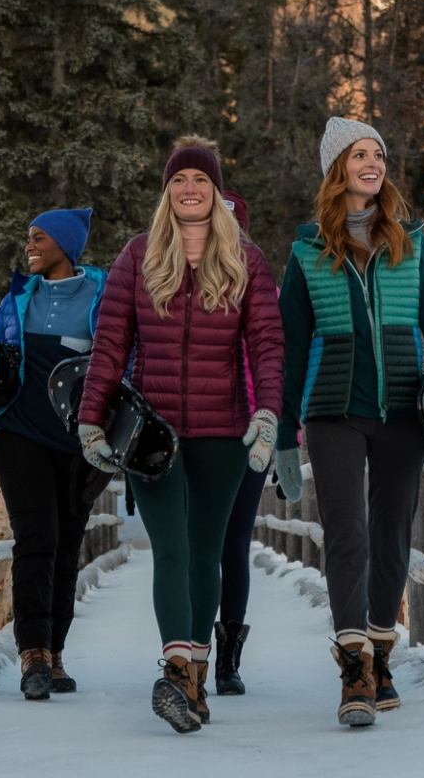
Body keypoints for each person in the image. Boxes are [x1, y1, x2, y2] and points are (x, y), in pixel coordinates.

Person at [275, 117, 424, 728]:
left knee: (392, 534)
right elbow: (289, 349)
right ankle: (353, 669)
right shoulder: (308, 251)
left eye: (379, 154)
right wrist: (286, 434)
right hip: (334, 411)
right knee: (347, 534)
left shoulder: (409, 242)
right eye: (359, 154)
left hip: (402, 411)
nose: (373, 163)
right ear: (336, 168)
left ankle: (381, 650)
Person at [76, 139, 284, 735]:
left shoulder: (247, 259)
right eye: (179, 179)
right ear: (166, 191)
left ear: (216, 191)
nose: (190, 187)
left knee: (206, 552)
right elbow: (110, 343)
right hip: (154, 436)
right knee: (170, 549)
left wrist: (267, 415)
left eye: (200, 178)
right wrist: (92, 418)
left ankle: (194, 676)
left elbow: (268, 346)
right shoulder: (137, 256)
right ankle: (175, 667)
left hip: (223, 433)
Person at [0, 207, 113, 701]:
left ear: (66, 245)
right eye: (28, 237)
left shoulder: (102, 296)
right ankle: (32, 652)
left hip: (80, 442)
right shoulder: (17, 298)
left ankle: (56, 652)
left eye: (39, 238)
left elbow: (121, 360)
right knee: (36, 538)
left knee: (66, 545)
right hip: (18, 432)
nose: (30, 246)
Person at [212, 190, 266, 697]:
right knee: (195, 545)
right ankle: (187, 651)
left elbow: (278, 362)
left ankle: (227, 661)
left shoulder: (259, 285)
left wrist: (283, 438)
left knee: (234, 543)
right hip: (196, 430)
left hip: (250, 433)